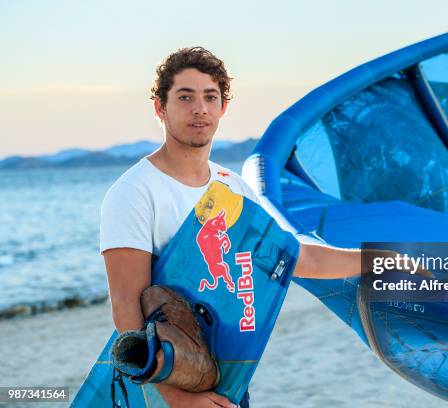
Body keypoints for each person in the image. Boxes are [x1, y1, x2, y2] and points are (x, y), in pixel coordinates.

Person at [100, 47, 366, 408]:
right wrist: (176, 400)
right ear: (160, 108)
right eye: (185, 97)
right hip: (166, 388)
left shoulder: (233, 189)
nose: (200, 108)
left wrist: (377, 259)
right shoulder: (133, 192)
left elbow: (294, 258)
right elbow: (126, 309)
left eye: (211, 97)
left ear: (223, 108)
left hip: (225, 384)